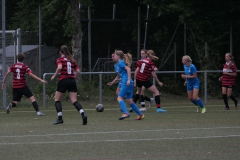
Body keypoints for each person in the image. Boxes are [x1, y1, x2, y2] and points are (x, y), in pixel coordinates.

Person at [51, 45, 87, 125]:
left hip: (64, 80)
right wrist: (75, 78)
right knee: (74, 100)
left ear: (60, 52)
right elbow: (78, 71)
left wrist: (54, 75)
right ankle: (83, 114)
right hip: (72, 80)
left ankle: (60, 118)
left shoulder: (60, 59)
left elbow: (60, 67)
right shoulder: (72, 60)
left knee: (57, 100)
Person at [111, 50, 144, 120]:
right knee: (129, 101)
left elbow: (128, 69)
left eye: (115, 55)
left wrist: (128, 80)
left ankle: (126, 113)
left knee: (119, 98)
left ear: (118, 56)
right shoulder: (121, 63)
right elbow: (123, 74)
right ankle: (140, 114)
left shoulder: (120, 62)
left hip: (127, 83)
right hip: (128, 83)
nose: (114, 56)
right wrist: (115, 81)